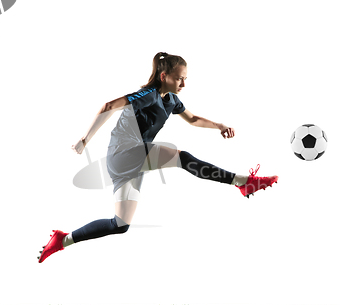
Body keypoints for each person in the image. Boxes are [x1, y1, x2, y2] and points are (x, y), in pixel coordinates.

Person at [38, 52, 278, 263]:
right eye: (178, 78)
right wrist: (85, 139)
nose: (183, 83)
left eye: (186, 78)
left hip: (132, 162)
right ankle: (243, 182)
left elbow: (193, 119)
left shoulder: (171, 100)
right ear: (164, 76)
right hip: (124, 153)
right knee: (181, 158)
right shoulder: (147, 95)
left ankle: (62, 240)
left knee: (120, 225)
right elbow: (109, 105)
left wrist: (219, 125)